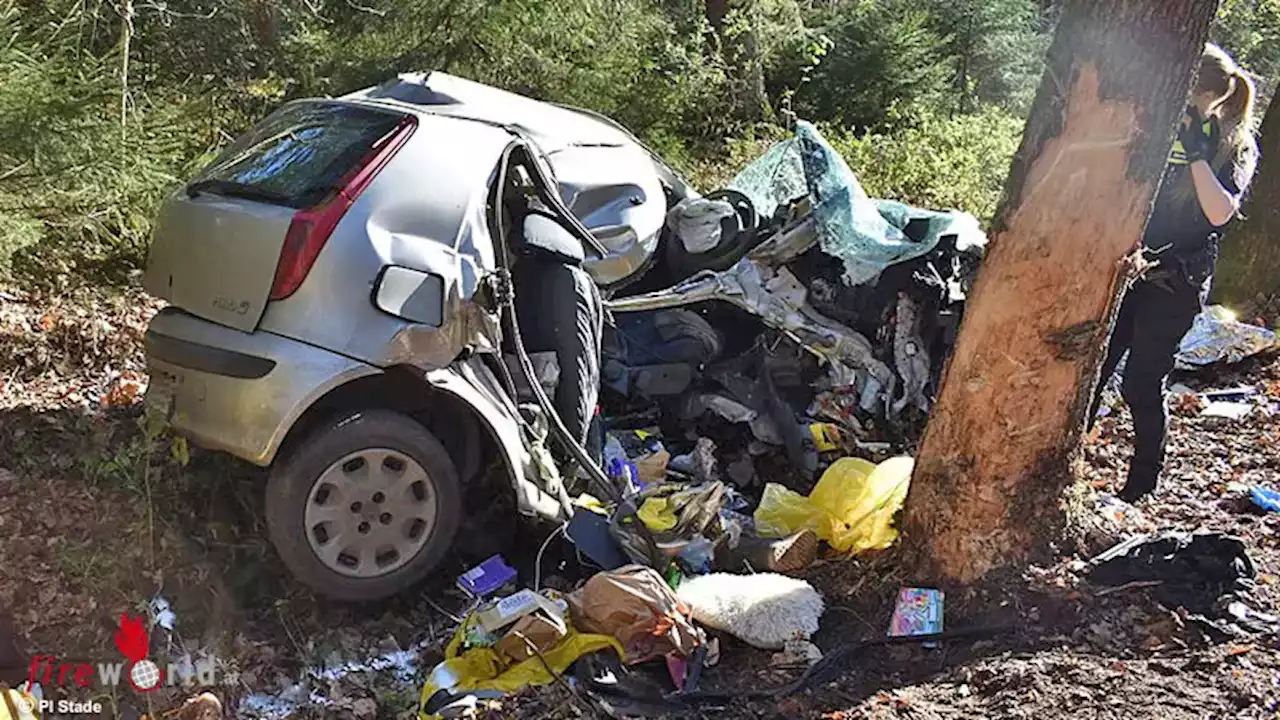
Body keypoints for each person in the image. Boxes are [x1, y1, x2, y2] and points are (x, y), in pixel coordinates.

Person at [1091, 43, 1260, 503]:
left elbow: (1220, 213)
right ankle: (1058, 465)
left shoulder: (1234, 144)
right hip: (1130, 266)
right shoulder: (1157, 125)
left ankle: (1142, 485)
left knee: (1142, 381)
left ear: (1205, 94)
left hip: (1179, 278)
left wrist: (1200, 156)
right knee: (1092, 369)